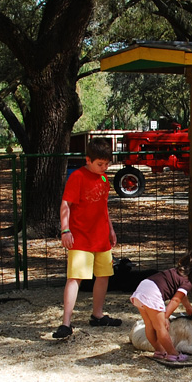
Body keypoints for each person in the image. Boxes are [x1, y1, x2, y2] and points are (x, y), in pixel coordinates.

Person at [54, 137, 122, 339]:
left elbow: (103, 207)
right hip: (80, 237)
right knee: (75, 277)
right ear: (88, 160)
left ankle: (98, 315)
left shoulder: (103, 179)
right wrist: (65, 230)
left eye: (107, 164)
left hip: (101, 236)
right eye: (100, 164)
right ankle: (66, 323)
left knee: (103, 275)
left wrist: (110, 229)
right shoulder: (77, 177)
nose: (104, 168)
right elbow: (66, 204)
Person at [130, 249, 192, 362]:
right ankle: (173, 353)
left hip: (143, 288)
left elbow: (181, 295)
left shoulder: (176, 272)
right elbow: (176, 300)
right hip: (152, 293)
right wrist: (166, 316)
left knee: (149, 325)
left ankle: (159, 351)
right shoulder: (187, 282)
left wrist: (188, 307)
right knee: (162, 327)